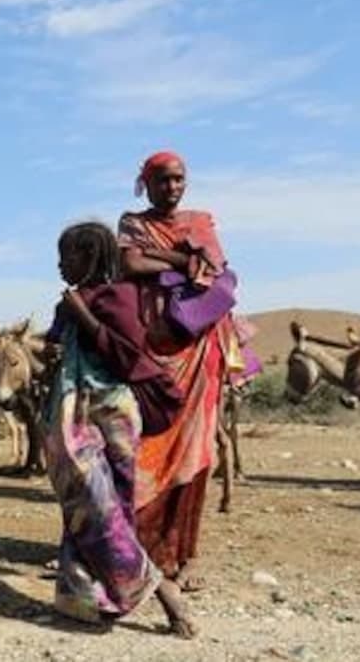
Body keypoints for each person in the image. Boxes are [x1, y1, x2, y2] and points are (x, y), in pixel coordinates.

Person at [40, 222, 194, 637]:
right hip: (75, 413)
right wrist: (50, 344)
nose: (59, 264)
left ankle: (160, 590)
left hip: (114, 414)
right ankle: (87, 598)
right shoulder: (67, 303)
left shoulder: (119, 297)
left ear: (90, 257)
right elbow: (54, 344)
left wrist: (83, 316)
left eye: (67, 255)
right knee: (86, 504)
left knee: (109, 510)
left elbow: (129, 355)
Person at [117, 151, 241, 592]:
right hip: (153, 347)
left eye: (179, 180)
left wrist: (161, 257)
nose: (172, 188)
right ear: (146, 183)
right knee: (144, 448)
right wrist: (177, 261)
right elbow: (129, 264)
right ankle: (138, 551)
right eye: (164, 180)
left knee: (196, 454)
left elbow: (212, 271)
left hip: (198, 351)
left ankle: (185, 554)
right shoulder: (132, 222)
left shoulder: (201, 221)